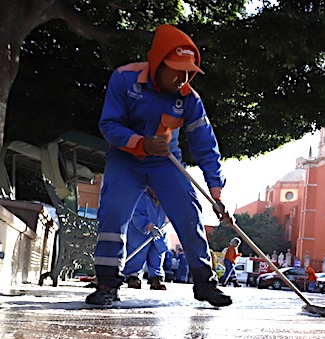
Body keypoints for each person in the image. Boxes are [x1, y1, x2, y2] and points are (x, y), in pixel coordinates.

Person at [85, 23, 231, 307]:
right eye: (177, 68)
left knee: (190, 214)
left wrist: (216, 192)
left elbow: (206, 145)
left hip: (165, 161)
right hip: (125, 159)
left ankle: (205, 283)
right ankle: (107, 284)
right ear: (158, 62)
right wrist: (140, 142)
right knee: (113, 215)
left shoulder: (189, 98)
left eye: (189, 70)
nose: (183, 77)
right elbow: (109, 124)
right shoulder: (124, 79)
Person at [122, 188, 171, 290]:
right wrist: (148, 226)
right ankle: (133, 276)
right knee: (137, 255)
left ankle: (156, 278)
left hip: (159, 234)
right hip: (140, 234)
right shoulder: (140, 197)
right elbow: (136, 214)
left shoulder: (167, 199)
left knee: (157, 256)